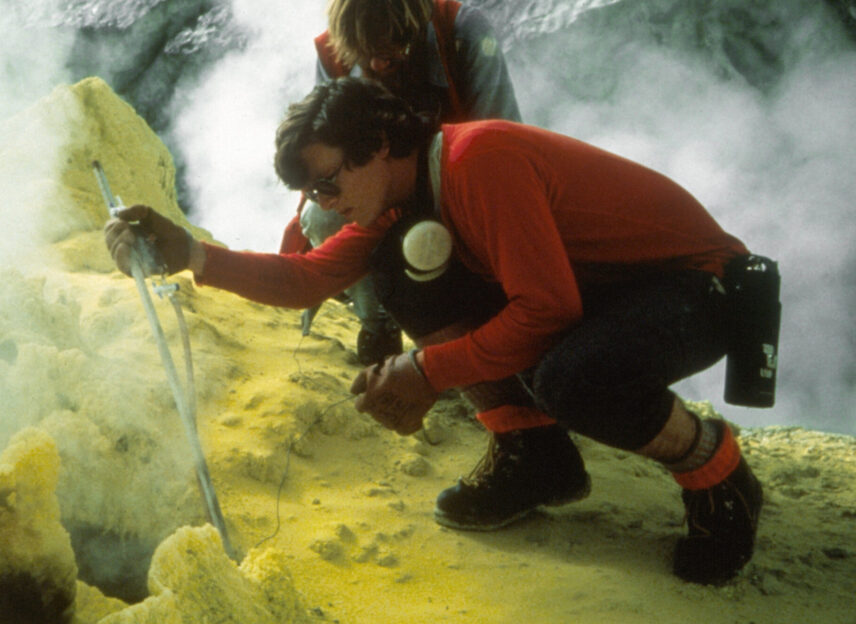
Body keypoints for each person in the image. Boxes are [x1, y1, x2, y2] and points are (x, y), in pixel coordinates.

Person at [105, 77, 767, 585]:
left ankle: (717, 471)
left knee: (574, 376)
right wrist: (188, 254)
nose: (325, 205)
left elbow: (549, 311)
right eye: (314, 194)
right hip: (615, 293)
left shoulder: (480, 162)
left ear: (382, 144)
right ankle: (534, 454)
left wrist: (425, 371)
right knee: (400, 271)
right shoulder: (403, 194)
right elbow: (306, 279)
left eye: (330, 183)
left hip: (700, 286)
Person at [282, 0, 522, 366]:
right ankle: (378, 325)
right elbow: (324, 156)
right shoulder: (335, 51)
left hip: (461, 182)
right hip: (382, 189)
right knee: (323, 216)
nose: (377, 66)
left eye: (392, 54)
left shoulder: (463, 32)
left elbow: (502, 139)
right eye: (366, 56)